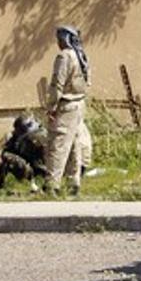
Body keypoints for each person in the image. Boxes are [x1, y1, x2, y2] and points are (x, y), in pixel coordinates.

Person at [44, 25, 89, 196]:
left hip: (66, 105)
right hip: (79, 104)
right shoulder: (81, 55)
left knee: (58, 145)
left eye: (59, 39)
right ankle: (73, 181)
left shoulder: (64, 57)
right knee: (74, 146)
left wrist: (51, 107)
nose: (58, 42)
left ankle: (52, 185)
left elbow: (57, 84)